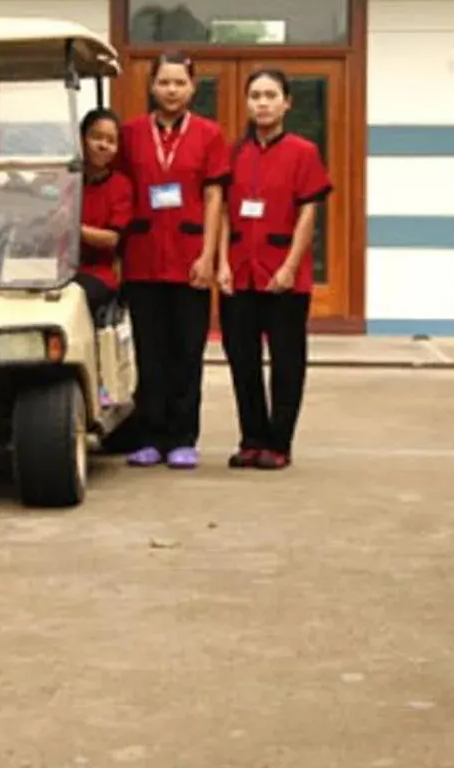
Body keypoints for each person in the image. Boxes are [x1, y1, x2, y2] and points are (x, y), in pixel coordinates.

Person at [119, 51, 228, 468]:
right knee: (150, 351)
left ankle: (183, 437)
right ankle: (150, 435)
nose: (171, 90)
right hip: (143, 258)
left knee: (186, 351)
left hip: (189, 259)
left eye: (179, 83)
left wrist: (208, 256)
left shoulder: (208, 134)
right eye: (164, 82)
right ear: (151, 86)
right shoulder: (131, 134)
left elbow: (215, 195)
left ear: (192, 87)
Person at [218, 68, 330, 470]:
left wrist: (290, 266)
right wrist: (221, 264)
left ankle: (279, 444)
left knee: (286, 363)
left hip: (283, 279)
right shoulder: (233, 153)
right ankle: (251, 439)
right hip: (240, 274)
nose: (262, 103)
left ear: (287, 102)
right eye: (255, 96)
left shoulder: (303, 152)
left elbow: (307, 214)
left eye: (270, 95)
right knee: (242, 361)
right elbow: (225, 213)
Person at [73, 107, 131, 318]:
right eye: (96, 137)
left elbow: (112, 239)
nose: (102, 145)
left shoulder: (120, 186)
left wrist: (73, 228)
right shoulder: (66, 179)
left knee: (72, 298)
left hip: (98, 273)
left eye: (110, 140)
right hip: (56, 271)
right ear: (81, 138)